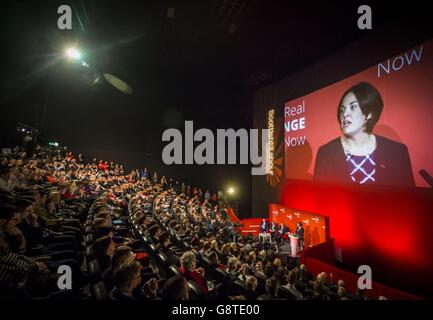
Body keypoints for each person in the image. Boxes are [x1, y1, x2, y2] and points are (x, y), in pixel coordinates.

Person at [314, 82, 415, 187]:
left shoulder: (397, 152)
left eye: (353, 107)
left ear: (369, 114)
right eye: (342, 110)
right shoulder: (326, 153)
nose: (345, 114)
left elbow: (410, 198)